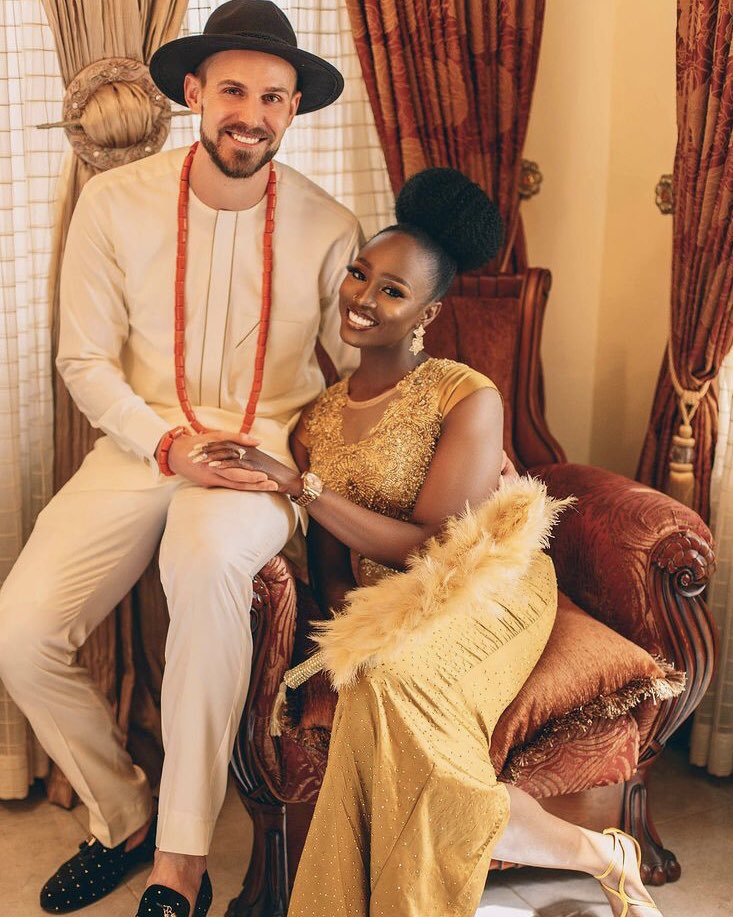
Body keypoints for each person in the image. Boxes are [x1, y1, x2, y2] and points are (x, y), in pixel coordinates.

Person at [197, 168, 662, 917]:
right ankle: (595, 853)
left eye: (391, 290)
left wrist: (299, 486)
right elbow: (331, 575)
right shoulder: (313, 419)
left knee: (389, 687)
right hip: (392, 607)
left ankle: (580, 853)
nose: (362, 297)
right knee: (372, 685)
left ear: (427, 311)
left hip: (486, 589)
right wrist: (357, 630)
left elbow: (432, 545)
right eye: (359, 273)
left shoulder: (462, 391)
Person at [0, 3, 362, 915]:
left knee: (201, 567)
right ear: (194, 92)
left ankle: (180, 863)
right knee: (18, 628)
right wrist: (164, 441)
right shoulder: (114, 202)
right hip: (138, 444)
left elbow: (358, 370)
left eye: (273, 96)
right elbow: (80, 358)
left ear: (293, 110)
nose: (252, 112)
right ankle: (122, 811)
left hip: (258, 456)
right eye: (233, 89)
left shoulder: (330, 223)